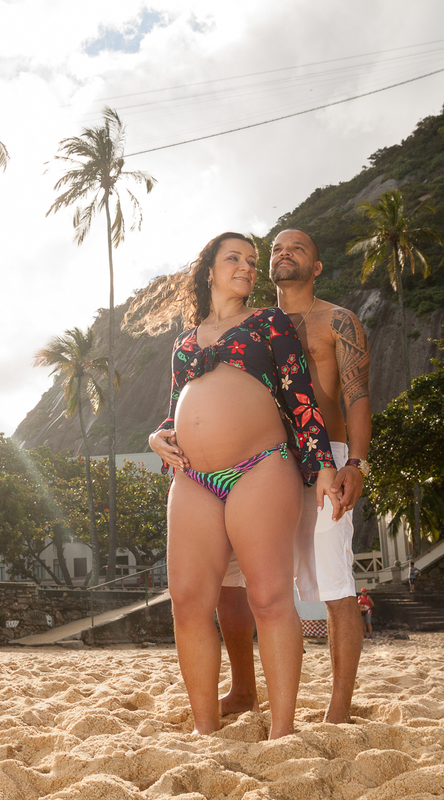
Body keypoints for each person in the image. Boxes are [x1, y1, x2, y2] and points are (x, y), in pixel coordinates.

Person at [153, 228, 372, 725]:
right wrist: (157, 437)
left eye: (252, 260)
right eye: (237, 258)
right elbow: (174, 411)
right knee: (194, 600)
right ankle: (216, 719)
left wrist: (331, 466)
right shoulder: (183, 343)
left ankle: (305, 721)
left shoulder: (278, 323)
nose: (249, 267)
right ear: (209, 269)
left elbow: (303, 401)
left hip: (270, 465)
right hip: (196, 479)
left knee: (286, 593)